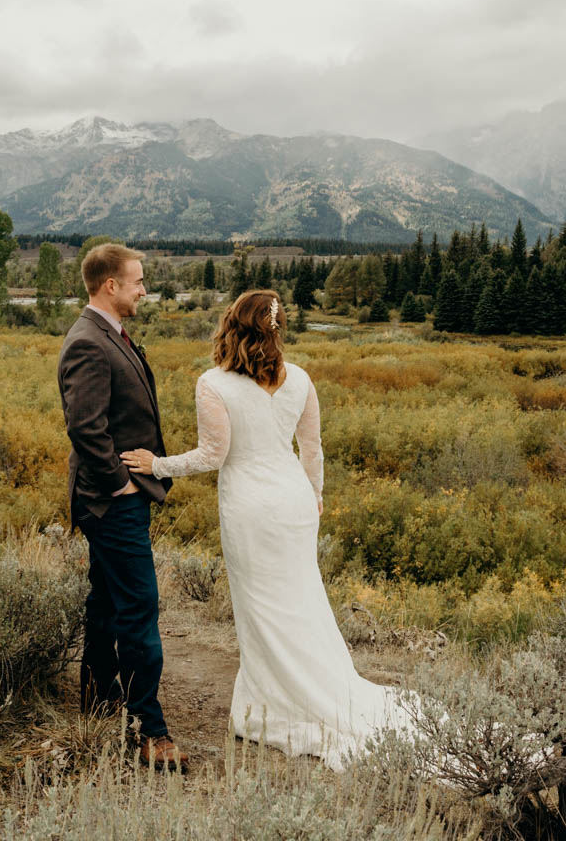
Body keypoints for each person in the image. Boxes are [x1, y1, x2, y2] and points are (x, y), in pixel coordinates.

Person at [121, 288, 416, 769]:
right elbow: (312, 449)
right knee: (302, 600)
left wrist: (157, 465)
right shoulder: (299, 379)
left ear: (232, 326)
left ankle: (274, 703)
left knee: (261, 606)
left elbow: (213, 456)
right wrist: (315, 494)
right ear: (277, 329)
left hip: (251, 506)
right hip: (296, 501)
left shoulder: (213, 383)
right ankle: (309, 688)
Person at [57, 243, 187, 772]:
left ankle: (99, 698)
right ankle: (148, 729)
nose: (143, 289)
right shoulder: (88, 342)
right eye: (137, 281)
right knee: (138, 607)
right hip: (110, 503)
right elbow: (85, 428)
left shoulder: (108, 333)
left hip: (112, 499)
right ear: (110, 284)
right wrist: (120, 485)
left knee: (108, 602)